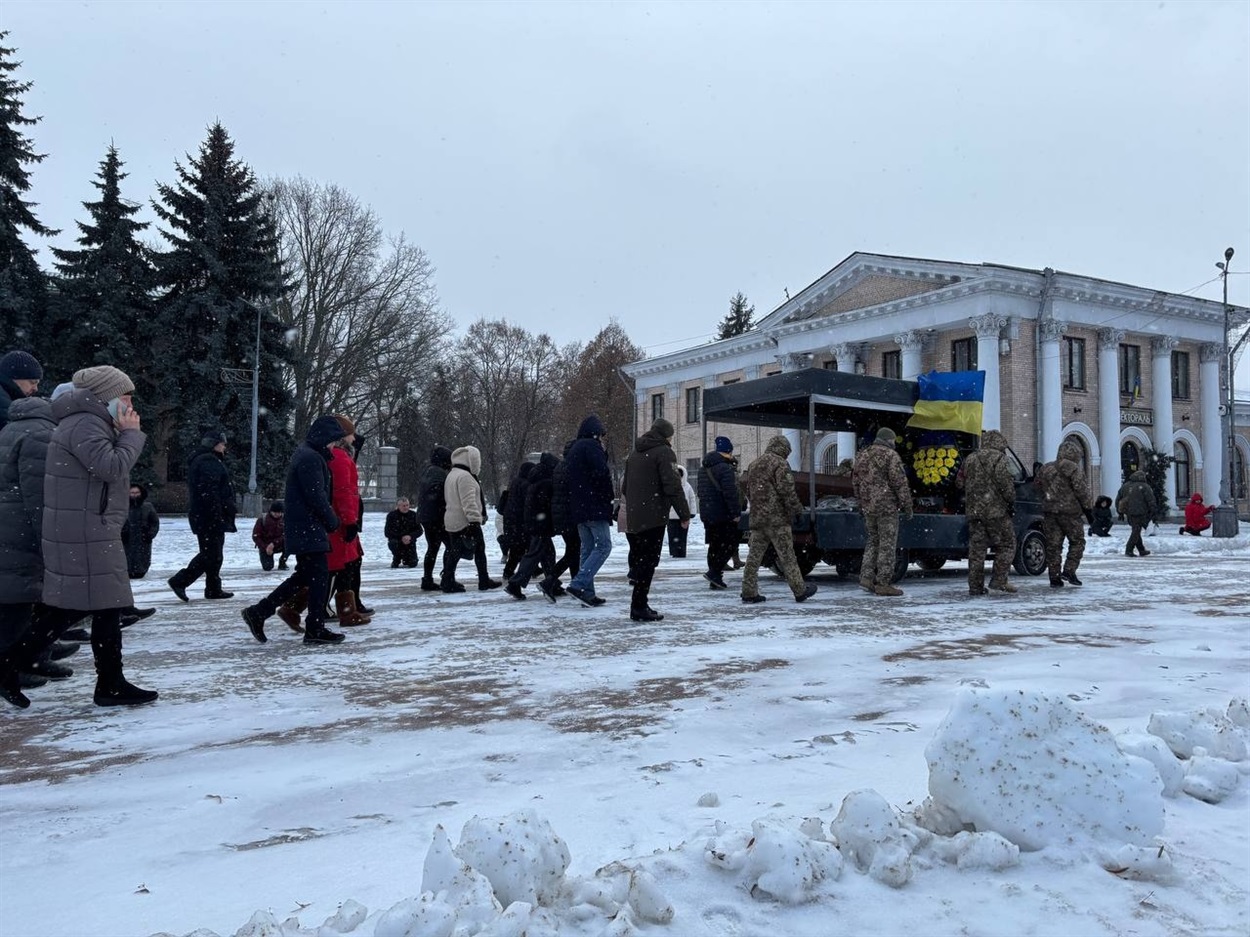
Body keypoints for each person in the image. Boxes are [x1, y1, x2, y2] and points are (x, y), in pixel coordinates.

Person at [38, 365, 156, 706]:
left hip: (91, 527)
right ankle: (12, 663)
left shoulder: (88, 422)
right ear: (106, 397)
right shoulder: (85, 424)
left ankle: (110, 683)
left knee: (99, 607)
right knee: (81, 608)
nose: (130, 404)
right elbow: (111, 467)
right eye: (126, 397)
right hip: (88, 529)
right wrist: (131, 434)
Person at [241, 415, 347, 645]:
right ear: (324, 438)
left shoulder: (308, 454)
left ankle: (259, 612)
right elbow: (316, 497)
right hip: (308, 527)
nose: (334, 446)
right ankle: (314, 628)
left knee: (305, 576)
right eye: (333, 441)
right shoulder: (311, 458)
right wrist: (333, 521)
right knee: (319, 577)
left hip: (304, 527)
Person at [620, 418, 691, 621]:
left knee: (641, 560)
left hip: (636, 514)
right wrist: (684, 514)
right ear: (666, 435)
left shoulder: (634, 453)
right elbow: (673, 486)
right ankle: (639, 606)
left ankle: (639, 604)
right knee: (649, 561)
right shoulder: (664, 452)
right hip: (654, 515)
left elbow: (625, 487)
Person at [741, 434, 818, 604]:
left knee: (754, 557)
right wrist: (797, 510)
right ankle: (799, 590)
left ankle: (748, 591)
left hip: (758, 519)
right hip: (777, 520)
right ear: (783, 449)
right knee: (787, 556)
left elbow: (748, 491)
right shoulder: (780, 464)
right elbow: (786, 490)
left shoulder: (754, 464)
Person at [168, 430, 237, 602]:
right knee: (211, 554)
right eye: (222, 443)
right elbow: (210, 491)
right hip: (210, 516)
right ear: (214, 444)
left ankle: (213, 588)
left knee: (213, 554)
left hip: (206, 515)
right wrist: (218, 514)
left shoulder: (204, 460)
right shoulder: (208, 461)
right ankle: (180, 581)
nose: (224, 447)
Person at [852, 427, 913, 597]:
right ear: (888, 440)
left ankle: (866, 578)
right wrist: (907, 505)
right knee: (887, 544)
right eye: (893, 440)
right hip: (886, 507)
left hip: (868, 506)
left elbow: (855, 482)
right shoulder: (891, 456)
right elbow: (899, 483)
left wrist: (861, 503)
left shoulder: (862, 455)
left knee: (873, 541)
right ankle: (883, 583)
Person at [563, 415, 615, 607]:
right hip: (594, 506)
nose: (602, 439)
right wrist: (608, 500)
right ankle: (578, 585)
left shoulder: (575, 448)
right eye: (601, 435)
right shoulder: (592, 447)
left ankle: (587, 592)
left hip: (579, 507)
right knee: (604, 546)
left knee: (587, 548)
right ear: (596, 433)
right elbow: (602, 475)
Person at [959, 429, 1017, 596]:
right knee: (1007, 544)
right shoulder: (1001, 459)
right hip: (996, 512)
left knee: (977, 550)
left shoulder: (970, 459)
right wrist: (1010, 500)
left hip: (974, 512)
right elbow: (1006, 486)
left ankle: (975, 587)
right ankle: (999, 580)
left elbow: (959, 482)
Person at [326, 416, 369, 626]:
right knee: (341, 567)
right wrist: (350, 520)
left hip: (340, 520)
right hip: (341, 523)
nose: (354, 438)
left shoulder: (338, 456)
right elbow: (344, 493)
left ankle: (348, 609)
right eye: (351, 434)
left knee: (346, 565)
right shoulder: (340, 458)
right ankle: (343, 610)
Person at [1037, 439, 1094, 586]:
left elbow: (1037, 486)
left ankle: (1054, 578)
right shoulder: (1074, 469)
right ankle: (1069, 571)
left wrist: (1047, 499)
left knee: (1053, 546)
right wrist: (1089, 510)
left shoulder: (1046, 468)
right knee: (1077, 542)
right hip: (1070, 514)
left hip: (1050, 513)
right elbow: (1082, 491)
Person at [506, 452, 559, 600]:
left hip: (535, 523)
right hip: (541, 525)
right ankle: (515, 583)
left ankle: (552, 583)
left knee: (547, 554)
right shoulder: (546, 482)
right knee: (535, 554)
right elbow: (546, 505)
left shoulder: (535, 480)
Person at [440, 444, 492, 592]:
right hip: (464, 520)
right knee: (479, 549)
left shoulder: (452, 474)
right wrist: (474, 520)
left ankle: (448, 580)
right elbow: (468, 501)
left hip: (451, 519)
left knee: (454, 551)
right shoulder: (465, 477)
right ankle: (483, 580)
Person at [698, 435, 742, 590]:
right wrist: (735, 513)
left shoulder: (703, 469)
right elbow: (730, 493)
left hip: (708, 513)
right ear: (729, 451)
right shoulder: (725, 468)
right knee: (729, 543)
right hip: (723, 514)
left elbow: (701, 491)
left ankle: (715, 578)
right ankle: (714, 572)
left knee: (714, 545)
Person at [417, 446, 453, 591]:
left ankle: (427, 579)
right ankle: (447, 577)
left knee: (432, 547)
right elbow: (442, 495)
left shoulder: (428, 470)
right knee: (450, 546)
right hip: (437, 516)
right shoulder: (440, 473)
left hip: (426, 516)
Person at [546, 438, 578, 596]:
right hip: (570, 515)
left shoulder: (560, 466)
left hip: (561, 515)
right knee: (573, 552)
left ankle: (576, 584)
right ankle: (549, 580)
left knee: (572, 550)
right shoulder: (573, 467)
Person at [501, 461, 535, 579]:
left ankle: (511, 571)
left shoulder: (515, 482)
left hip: (512, 520)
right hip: (520, 521)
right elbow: (528, 503)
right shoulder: (525, 485)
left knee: (517, 549)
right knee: (524, 548)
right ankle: (517, 571)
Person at [121, 483, 161, 578]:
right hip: (127, 539)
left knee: (142, 558)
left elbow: (155, 522)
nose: (135, 495)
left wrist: (150, 534)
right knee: (126, 557)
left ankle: (140, 571)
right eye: (132, 493)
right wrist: (121, 533)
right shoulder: (122, 507)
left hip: (143, 539)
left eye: (137, 492)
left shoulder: (147, 507)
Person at [1115, 470, 1157, 558]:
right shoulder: (1145, 486)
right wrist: (1153, 511)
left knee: (1136, 530)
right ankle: (1129, 549)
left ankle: (1141, 550)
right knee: (1136, 531)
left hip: (1129, 512)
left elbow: (1118, 499)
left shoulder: (1125, 486)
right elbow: (1151, 500)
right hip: (1141, 512)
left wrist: (1120, 512)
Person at [0, 349, 43, 429]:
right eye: (32, 382)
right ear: (15, 377)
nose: (35, 389)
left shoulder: (7, 399)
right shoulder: (4, 407)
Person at [665, 464, 697, 559]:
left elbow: (692, 499)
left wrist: (692, 512)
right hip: (671, 516)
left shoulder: (687, 486)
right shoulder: (669, 486)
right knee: (672, 535)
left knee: (682, 535)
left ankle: (682, 552)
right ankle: (674, 552)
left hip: (684, 516)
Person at [385, 496, 422, 568]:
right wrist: (401, 537)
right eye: (403, 506)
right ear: (398, 506)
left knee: (413, 563)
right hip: (396, 540)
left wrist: (410, 536)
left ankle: (406, 558)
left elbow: (419, 530)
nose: (406, 507)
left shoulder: (413, 515)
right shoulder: (391, 516)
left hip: (410, 542)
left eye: (407, 505)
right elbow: (387, 532)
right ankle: (397, 558)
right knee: (393, 543)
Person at [251, 500, 287, 571]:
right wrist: (265, 547)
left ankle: (283, 561)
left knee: (290, 544)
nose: (277, 514)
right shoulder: (262, 520)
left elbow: (286, 534)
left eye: (279, 512)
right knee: (267, 567)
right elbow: (256, 536)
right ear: (271, 511)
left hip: (279, 544)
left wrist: (274, 543)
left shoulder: (285, 520)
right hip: (265, 545)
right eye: (275, 512)